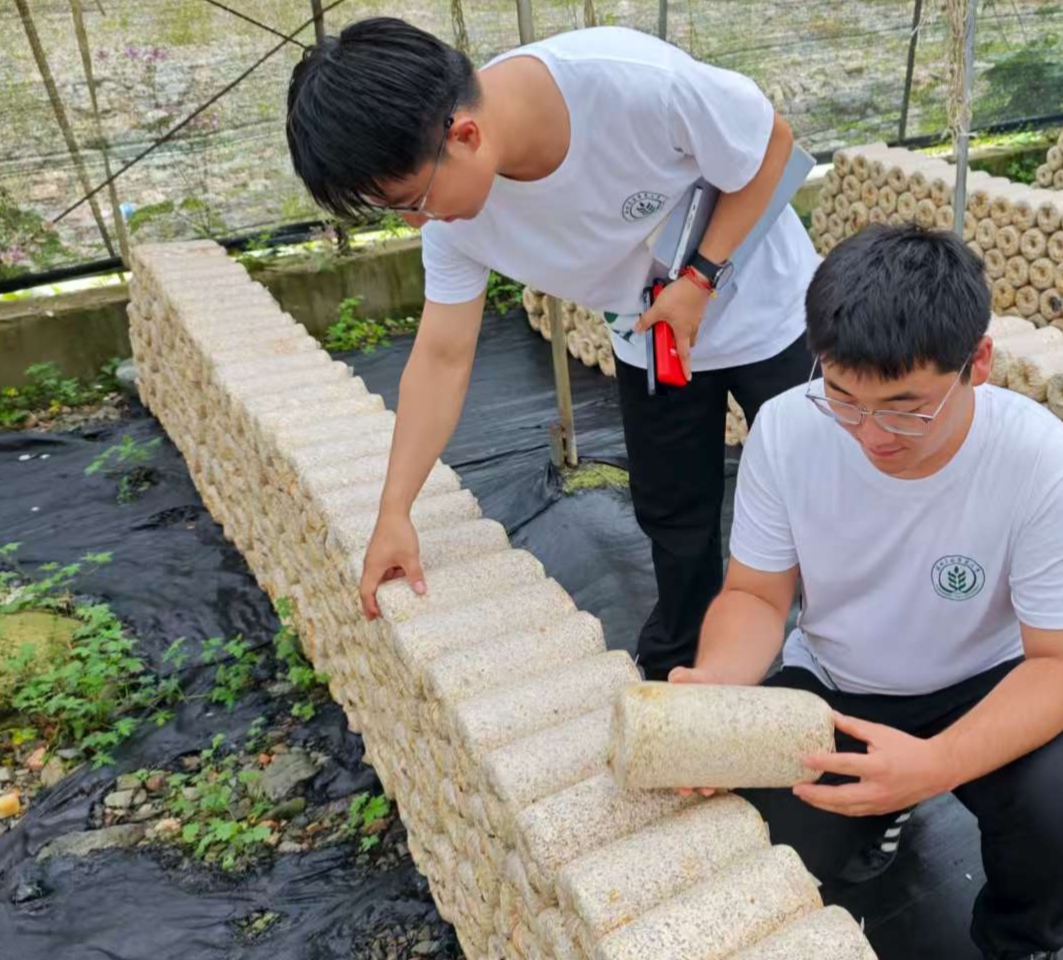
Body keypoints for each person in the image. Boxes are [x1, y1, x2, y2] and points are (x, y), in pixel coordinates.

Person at [283, 18, 818, 680]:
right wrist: (394, 513)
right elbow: (442, 358)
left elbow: (774, 147)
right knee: (674, 510)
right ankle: (685, 668)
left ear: (464, 136)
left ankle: (833, 660)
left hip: (768, 311)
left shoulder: (633, 87)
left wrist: (700, 277)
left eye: (410, 201)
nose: (418, 222)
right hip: (651, 333)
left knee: (816, 493)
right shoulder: (454, 225)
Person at [670, 223, 1063, 960]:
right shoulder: (788, 429)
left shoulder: (1043, 464)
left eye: (907, 407)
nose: (871, 434)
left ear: (977, 362)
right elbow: (755, 595)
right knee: (759, 848)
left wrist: (935, 762)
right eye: (844, 398)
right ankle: (881, 810)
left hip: (986, 682)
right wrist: (719, 687)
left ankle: (1017, 939)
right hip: (839, 681)